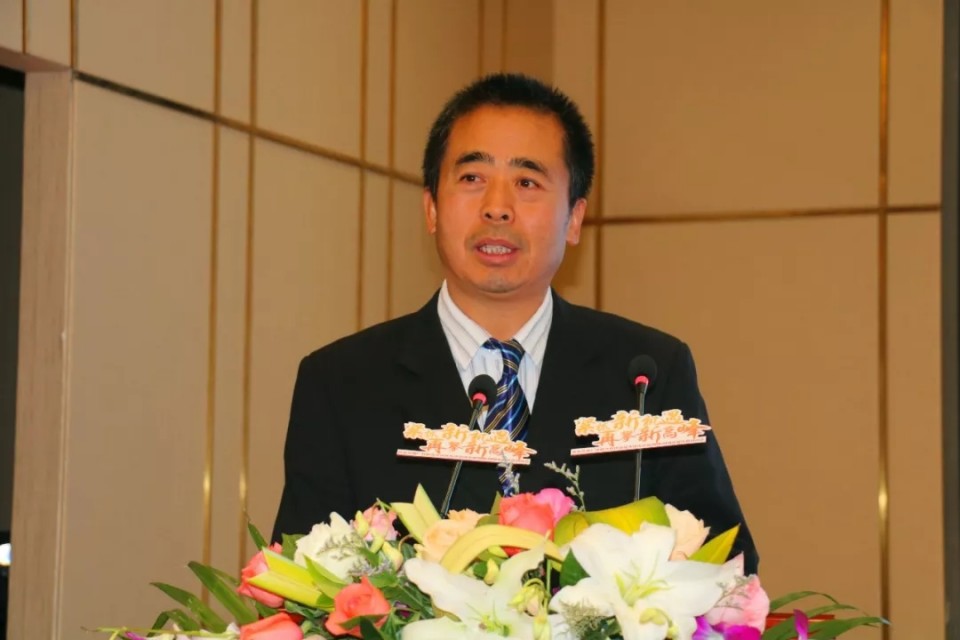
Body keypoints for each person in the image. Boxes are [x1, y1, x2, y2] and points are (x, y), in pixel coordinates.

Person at [272, 73, 758, 572]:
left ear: (574, 218)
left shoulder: (648, 376)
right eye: (472, 178)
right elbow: (304, 576)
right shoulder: (341, 383)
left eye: (527, 183)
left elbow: (726, 567)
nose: (497, 208)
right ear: (431, 208)